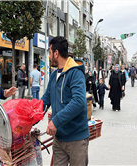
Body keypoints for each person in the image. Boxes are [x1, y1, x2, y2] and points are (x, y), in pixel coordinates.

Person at [41, 36, 89, 166]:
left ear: (56, 53)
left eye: (50, 52)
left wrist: (55, 121)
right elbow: (46, 99)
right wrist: (30, 114)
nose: (49, 56)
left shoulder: (75, 73)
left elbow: (79, 101)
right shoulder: (53, 75)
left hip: (77, 139)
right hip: (59, 138)